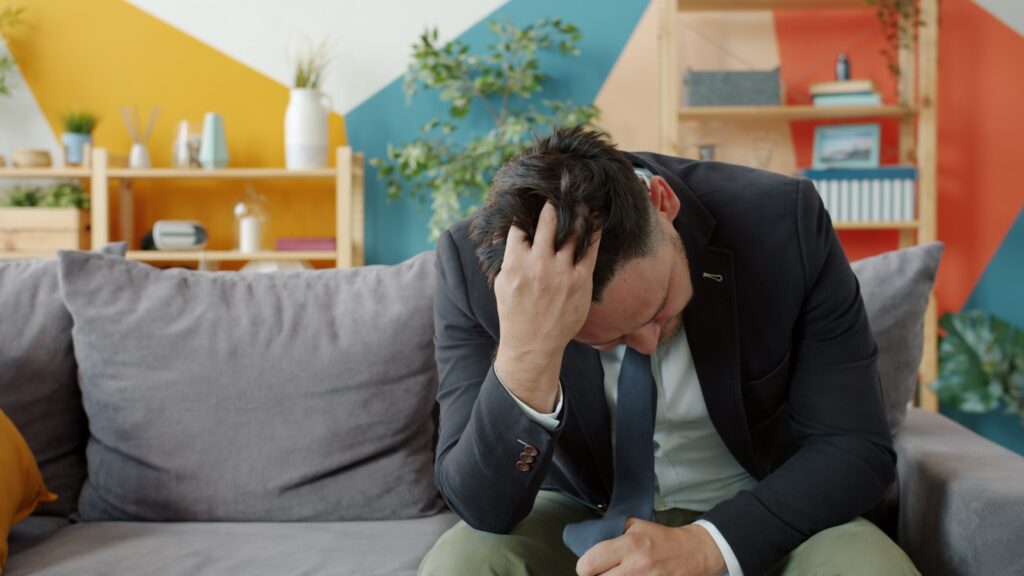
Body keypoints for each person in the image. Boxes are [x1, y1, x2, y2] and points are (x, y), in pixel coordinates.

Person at [419, 126, 918, 575]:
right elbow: (482, 509)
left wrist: (708, 546)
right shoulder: (476, 272)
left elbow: (855, 446)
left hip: (763, 508)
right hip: (579, 513)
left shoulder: (784, 221)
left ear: (663, 203)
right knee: (460, 563)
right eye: (609, 339)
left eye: (658, 309)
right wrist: (529, 352)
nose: (647, 343)